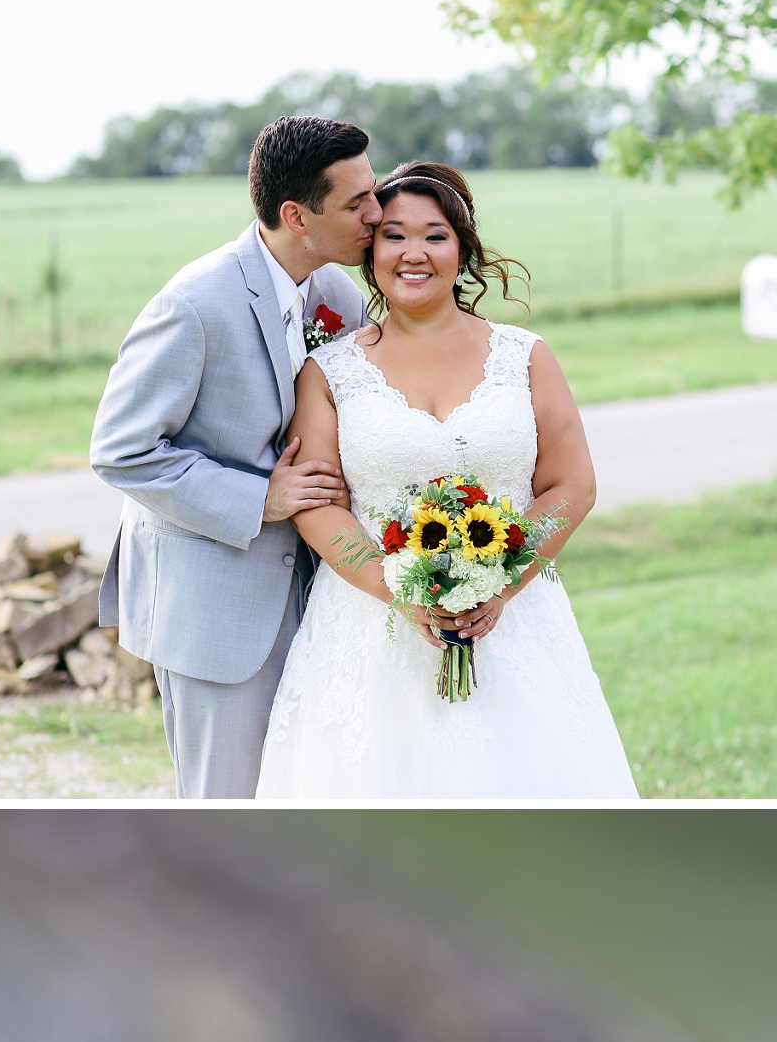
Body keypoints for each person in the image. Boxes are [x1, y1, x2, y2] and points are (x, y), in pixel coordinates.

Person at [255, 162, 636, 797]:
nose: (413, 253)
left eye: (434, 235)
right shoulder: (329, 371)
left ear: (462, 249)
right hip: (369, 627)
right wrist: (403, 592)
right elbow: (319, 504)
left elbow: (573, 486)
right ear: (370, 249)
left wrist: (502, 582)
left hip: (514, 626)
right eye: (394, 234)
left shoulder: (525, 357)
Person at [93, 117, 377, 797]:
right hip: (216, 608)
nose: (377, 212)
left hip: (320, 599)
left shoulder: (337, 296)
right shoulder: (196, 304)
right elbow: (122, 451)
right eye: (356, 202)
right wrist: (262, 499)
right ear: (296, 216)